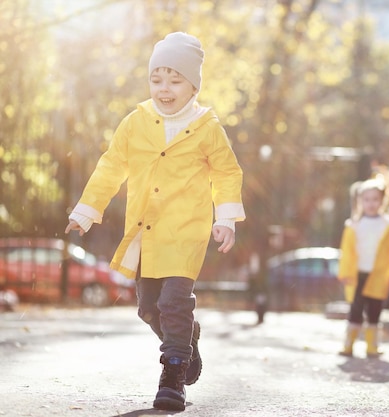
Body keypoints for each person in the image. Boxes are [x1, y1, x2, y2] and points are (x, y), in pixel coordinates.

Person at [65, 32, 245, 411]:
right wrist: (86, 211)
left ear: (193, 84)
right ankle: (187, 338)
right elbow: (111, 166)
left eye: (175, 80)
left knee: (174, 303)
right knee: (149, 308)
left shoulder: (207, 127)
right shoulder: (136, 122)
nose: (165, 88)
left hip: (187, 232)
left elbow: (227, 173)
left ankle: (174, 373)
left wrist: (226, 217)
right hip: (146, 232)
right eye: (157, 79)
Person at [337, 178, 389, 358]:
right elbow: (347, 251)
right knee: (355, 310)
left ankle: (372, 345)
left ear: (382, 201)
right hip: (357, 274)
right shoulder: (354, 225)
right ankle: (349, 343)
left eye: (375, 199)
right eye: (366, 199)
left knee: (375, 310)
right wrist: (344, 273)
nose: (371, 203)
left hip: (378, 274)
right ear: (360, 201)